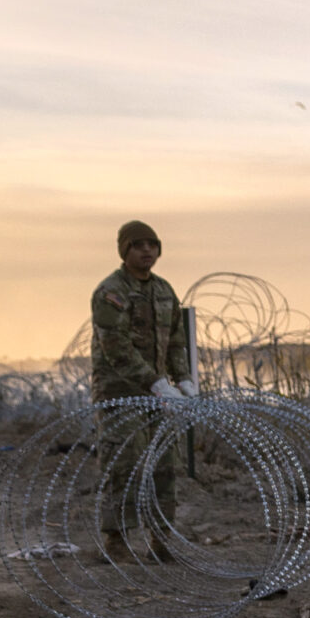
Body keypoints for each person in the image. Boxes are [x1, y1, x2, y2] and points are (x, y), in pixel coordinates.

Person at [89, 220, 195, 560]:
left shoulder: (164, 291)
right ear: (125, 251)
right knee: (124, 465)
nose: (147, 250)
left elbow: (176, 341)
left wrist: (184, 379)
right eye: (138, 244)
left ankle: (161, 539)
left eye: (152, 244)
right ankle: (117, 540)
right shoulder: (112, 292)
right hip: (120, 393)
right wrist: (155, 381)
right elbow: (115, 347)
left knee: (165, 466)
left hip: (159, 396)